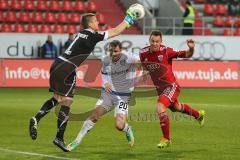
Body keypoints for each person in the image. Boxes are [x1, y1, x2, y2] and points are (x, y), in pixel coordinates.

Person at [29, 10, 140, 152]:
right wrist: (129, 18)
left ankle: (37, 118)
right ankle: (59, 137)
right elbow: (115, 31)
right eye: (96, 21)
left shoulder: (81, 34)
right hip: (68, 68)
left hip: (57, 64)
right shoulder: (92, 35)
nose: (98, 22)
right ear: (90, 23)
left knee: (58, 98)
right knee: (67, 102)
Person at [67, 40, 140, 151]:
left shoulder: (129, 57)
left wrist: (137, 63)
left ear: (121, 50)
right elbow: (104, 74)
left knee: (119, 125)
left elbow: (138, 61)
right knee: (94, 116)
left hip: (123, 96)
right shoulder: (106, 59)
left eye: (115, 51)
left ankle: (127, 129)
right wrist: (105, 83)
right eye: (111, 51)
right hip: (109, 94)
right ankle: (77, 141)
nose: (113, 53)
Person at [139, 30, 205, 148]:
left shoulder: (166, 51)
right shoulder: (142, 53)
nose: (154, 44)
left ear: (161, 42)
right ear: (149, 41)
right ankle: (199, 115)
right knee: (177, 108)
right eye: (152, 41)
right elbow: (146, 68)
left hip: (171, 86)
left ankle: (166, 139)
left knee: (160, 107)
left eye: (157, 42)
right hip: (160, 89)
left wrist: (191, 49)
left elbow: (187, 54)